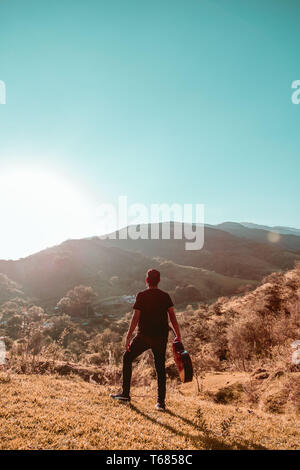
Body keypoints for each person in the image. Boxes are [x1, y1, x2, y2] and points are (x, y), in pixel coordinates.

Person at [110, 269, 181, 411]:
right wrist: (178, 335)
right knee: (160, 368)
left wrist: (129, 335)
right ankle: (161, 403)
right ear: (159, 280)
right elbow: (172, 316)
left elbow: (135, 317)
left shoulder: (141, 295)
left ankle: (125, 394)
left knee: (127, 357)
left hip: (144, 336)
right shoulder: (165, 296)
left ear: (147, 280)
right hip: (161, 337)